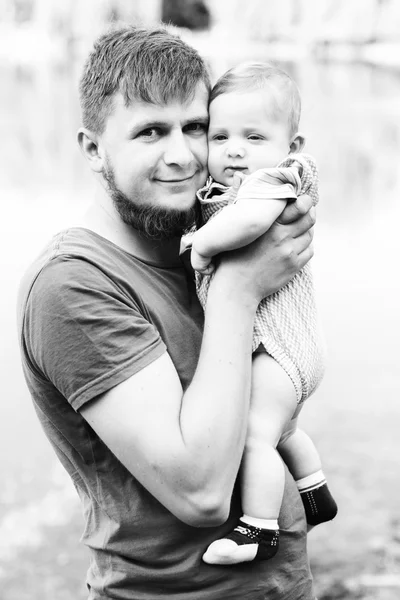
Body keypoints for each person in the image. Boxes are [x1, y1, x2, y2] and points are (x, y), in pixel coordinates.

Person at [17, 25, 318, 600]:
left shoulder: (206, 233)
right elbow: (201, 493)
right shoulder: (73, 286)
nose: (182, 155)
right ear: (92, 148)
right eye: (151, 131)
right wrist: (239, 289)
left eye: (196, 128)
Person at [186, 62, 337, 567]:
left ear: (291, 146)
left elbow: (250, 221)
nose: (234, 150)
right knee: (285, 430)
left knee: (256, 435)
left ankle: (259, 528)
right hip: (292, 347)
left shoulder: (273, 180)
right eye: (220, 135)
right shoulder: (237, 183)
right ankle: (315, 491)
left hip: (280, 348)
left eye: (254, 136)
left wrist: (202, 243)